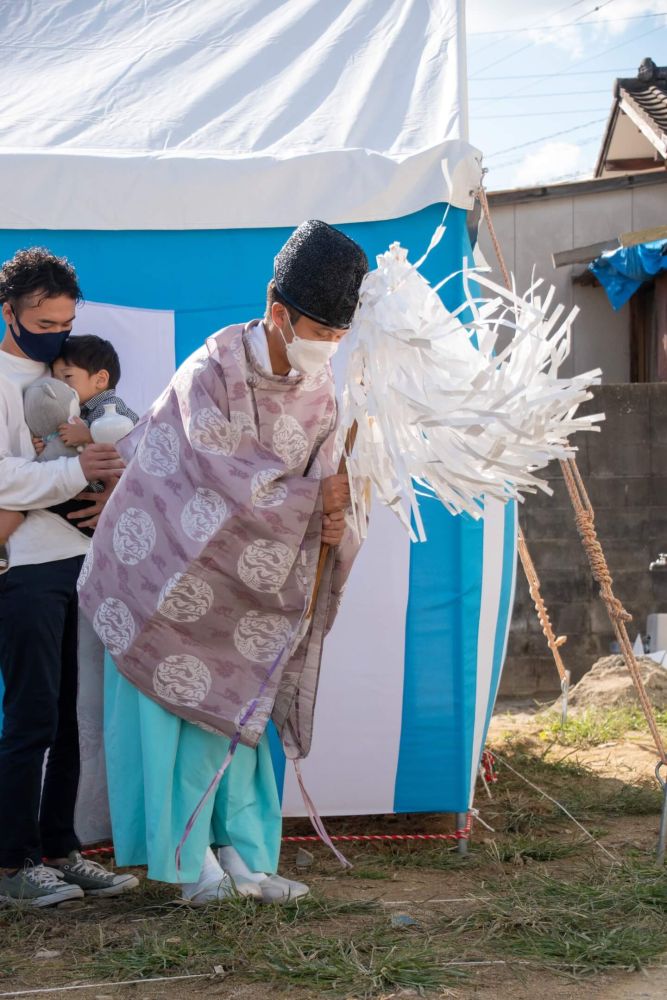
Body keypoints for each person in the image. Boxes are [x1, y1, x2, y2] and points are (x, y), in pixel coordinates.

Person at [78, 220, 368, 905]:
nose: (327, 346)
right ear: (277, 311)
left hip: (247, 591)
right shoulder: (210, 371)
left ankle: (243, 856)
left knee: (241, 713)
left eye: (337, 335)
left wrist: (335, 512)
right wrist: (308, 498)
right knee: (176, 718)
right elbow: (208, 483)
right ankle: (188, 866)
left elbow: (328, 477)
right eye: (319, 331)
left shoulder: (323, 389)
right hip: (161, 587)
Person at [0, 248, 138, 906]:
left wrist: (106, 486)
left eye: (65, 321)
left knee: (68, 718)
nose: (55, 330)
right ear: (11, 312)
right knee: (29, 718)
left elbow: (113, 457)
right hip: (21, 571)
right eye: (44, 320)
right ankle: (13, 865)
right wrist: (80, 473)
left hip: (77, 565)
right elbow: (3, 478)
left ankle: (59, 847)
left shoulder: (68, 371)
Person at [0, 334, 140, 564]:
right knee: (27, 494)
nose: (59, 384)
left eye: (67, 377)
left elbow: (129, 439)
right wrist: (45, 445)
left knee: (25, 499)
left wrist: (89, 435)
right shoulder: (73, 410)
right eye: (55, 377)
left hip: (97, 492)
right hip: (76, 491)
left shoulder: (109, 407)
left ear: (100, 379)